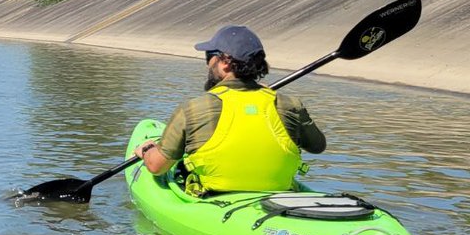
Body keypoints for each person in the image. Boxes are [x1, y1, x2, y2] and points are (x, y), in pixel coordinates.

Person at [135, 24, 326, 195]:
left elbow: (156, 166)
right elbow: (317, 146)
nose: (207, 63)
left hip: (214, 199)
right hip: (279, 197)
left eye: (209, 57)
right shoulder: (290, 105)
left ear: (225, 62)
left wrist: (147, 150)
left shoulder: (192, 109)